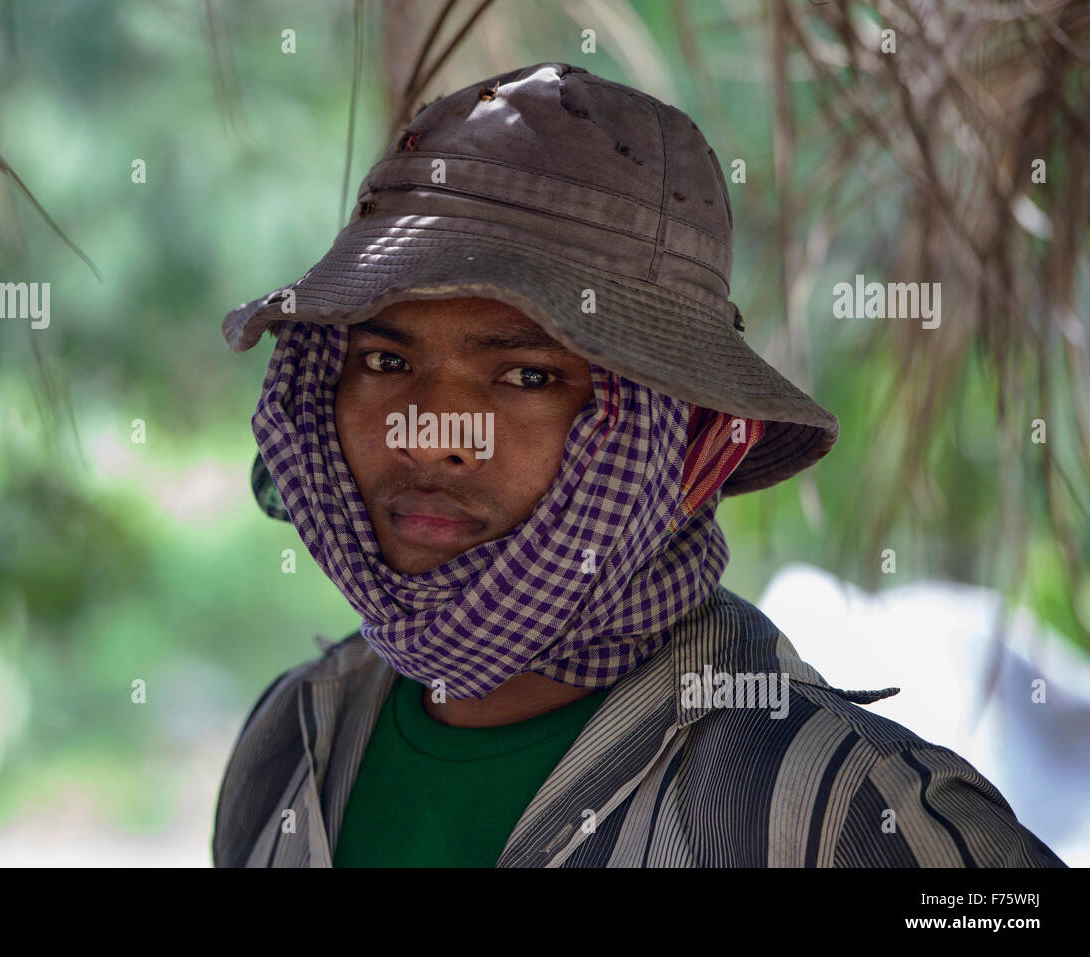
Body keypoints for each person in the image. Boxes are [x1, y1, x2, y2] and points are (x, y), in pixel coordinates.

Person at [211, 62, 1065, 867]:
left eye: (528, 377)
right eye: (386, 363)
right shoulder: (289, 742)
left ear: (700, 447)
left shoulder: (840, 815)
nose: (430, 434)